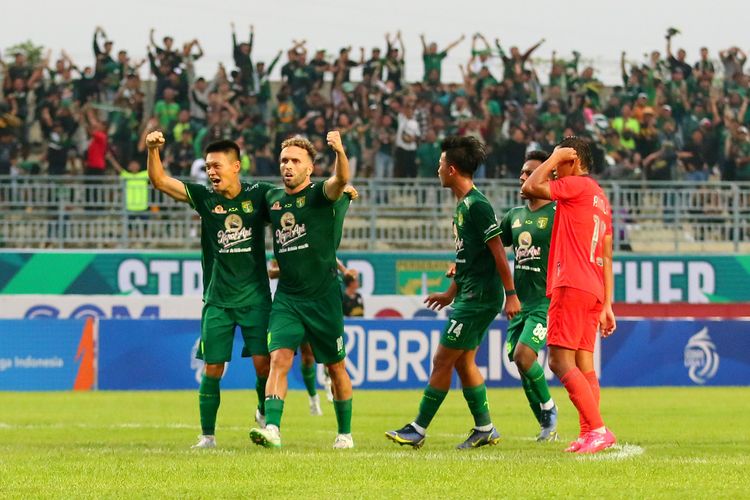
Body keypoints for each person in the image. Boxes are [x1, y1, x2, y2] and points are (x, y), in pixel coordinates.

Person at [385, 136, 521, 449]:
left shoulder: (477, 205)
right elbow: (469, 259)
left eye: (441, 164)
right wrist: (449, 293)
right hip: (468, 293)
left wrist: (511, 294)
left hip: (480, 297)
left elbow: (498, 251)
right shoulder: (463, 207)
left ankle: (417, 428)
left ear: (453, 169)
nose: (437, 169)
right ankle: (485, 428)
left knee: (442, 359)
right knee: (462, 362)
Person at [146, 133, 274, 449]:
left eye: (217, 166)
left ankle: (263, 408)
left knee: (264, 364)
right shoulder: (205, 198)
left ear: (236, 166)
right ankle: (207, 436)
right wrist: (153, 150)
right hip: (218, 299)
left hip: (256, 298)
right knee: (213, 367)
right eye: (207, 167)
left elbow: (295, 204)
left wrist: (337, 195)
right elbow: (160, 181)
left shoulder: (259, 195)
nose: (211, 172)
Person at [249, 131, 354, 449]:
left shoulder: (321, 194)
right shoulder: (273, 200)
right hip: (288, 297)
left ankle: (345, 433)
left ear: (310, 168)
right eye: (284, 160)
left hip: (323, 298)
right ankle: (273, 428)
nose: (288, 166)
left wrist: (339, 151)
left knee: (335, 366)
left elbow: (341, 180)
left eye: (295, 161)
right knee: (279, 358)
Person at [521, 136, 617, 455]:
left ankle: (598, 429)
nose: (554, 170)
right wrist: (607, 304)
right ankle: (590, 431)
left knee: (560, 360)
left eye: (559, 161)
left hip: (571, 282)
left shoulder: (576, 185)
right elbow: (606, 251)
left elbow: (531, 188)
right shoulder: (600, 198)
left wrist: (551, 159)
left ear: (573, 161)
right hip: (592, 287)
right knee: (583, 363)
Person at [498, 150, 558, 442]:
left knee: (524, 355)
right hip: (519, 304)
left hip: (545, 302)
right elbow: (494, 251)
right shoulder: (514, 217)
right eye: (521, 173)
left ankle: (550, 408)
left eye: (529, 173)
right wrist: (459, 265)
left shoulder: (558, 214)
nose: (522, 178)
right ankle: (546, 425)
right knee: (520, 363)